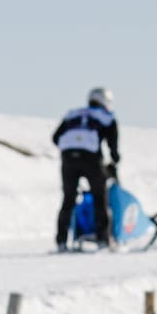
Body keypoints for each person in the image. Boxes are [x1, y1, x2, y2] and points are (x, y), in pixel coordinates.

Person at [53, 86, 120, 251]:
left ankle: (61, 241)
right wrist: (114, 159)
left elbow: (56, 137)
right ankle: (104, 239)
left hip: (68, 158)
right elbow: (113, 144)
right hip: (91, 159)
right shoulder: (106, 117)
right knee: (100, 198)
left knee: (68, 199)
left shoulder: (73, 114)